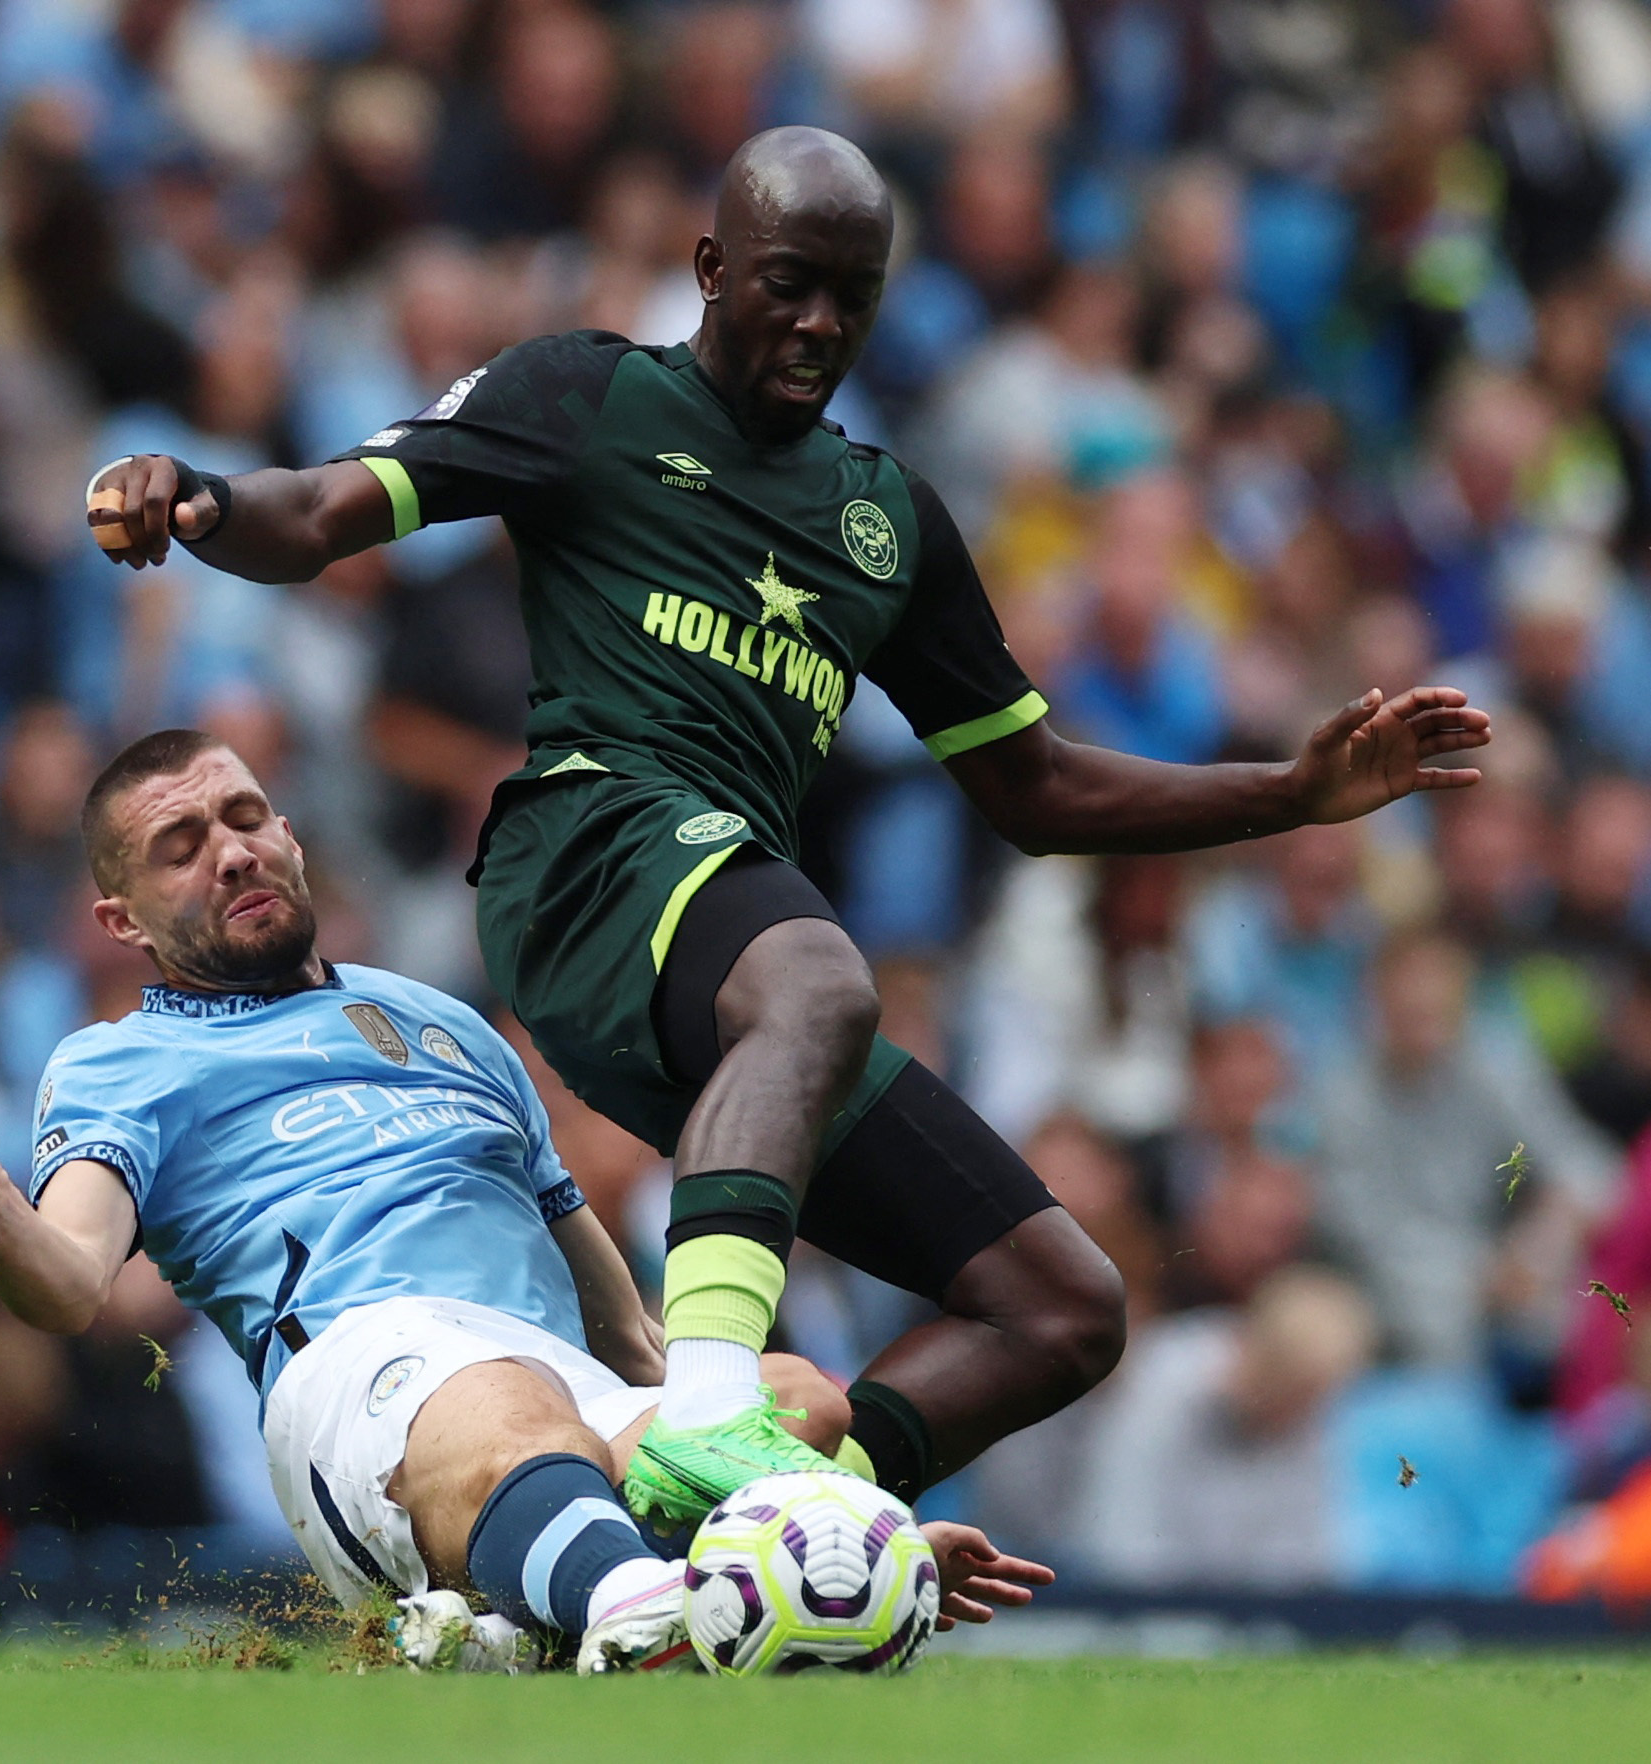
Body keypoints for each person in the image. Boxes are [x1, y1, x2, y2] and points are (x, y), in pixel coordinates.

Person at [83, 125, 1493, 1525]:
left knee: (1060, 1307)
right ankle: (707, 1410)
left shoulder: (887, 523)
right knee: (821, 975)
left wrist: (1290, 794)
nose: (819, 323)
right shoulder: (586, 397)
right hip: (585, 860)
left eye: (851, 295)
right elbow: (326, 506)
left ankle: (771, 1525)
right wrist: (202, 500)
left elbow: (1039, 793)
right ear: (708, 267)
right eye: (786, 283)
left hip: (729, 966)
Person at [0, 731, 1050, 1670]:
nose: (232, 849)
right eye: (182, 843)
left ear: (293, 835)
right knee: (509, 1403)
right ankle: (632, 1607)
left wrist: (839, 1539)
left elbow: (621, 1326)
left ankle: (534, 1624)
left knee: (792, 1394)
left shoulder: (444, 1025)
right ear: (120, 917)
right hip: (362, 1373)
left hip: (551, 1389)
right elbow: (70, 1284)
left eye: (247, 816)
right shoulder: (115, 1062)